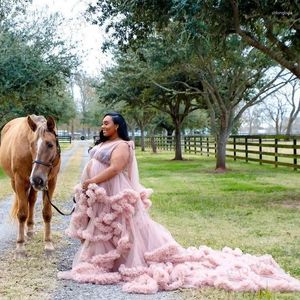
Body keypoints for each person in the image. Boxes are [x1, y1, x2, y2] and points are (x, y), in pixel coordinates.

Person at [58, 112, 300, 294]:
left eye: (106, 123)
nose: (103, 126)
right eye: (103, 123)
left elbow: (115, 168)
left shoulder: (122, 145)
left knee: (123, 227)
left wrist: (91, 181)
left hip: (113, 190)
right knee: (103, 228)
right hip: (100, 191)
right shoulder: (103, 143)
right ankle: (106, 260)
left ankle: (123, 260)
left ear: (118, 126)